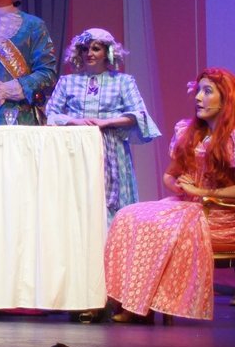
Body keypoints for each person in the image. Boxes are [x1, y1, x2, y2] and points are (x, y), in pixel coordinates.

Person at [103, 68, 235, 322]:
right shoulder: (189, 131)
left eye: (208, 91)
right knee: (128, 215)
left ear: (226, 98)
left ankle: (140, 307)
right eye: (198, 91)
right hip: (189, 206)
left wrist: (200, 191)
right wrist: (178, 185)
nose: (198, 97)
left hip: (222, 217)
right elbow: (170, 175)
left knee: (158, 226)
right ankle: (132, 301)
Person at [45, 28, 161, 221]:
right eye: (85, 49)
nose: (89, 54)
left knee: (110, 199)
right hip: (76, 145)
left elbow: (138, 114)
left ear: (107, 52)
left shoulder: (123, 81)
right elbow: (51, 113)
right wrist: (74, 121)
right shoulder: (68, 82)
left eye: (96, 49)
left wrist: (106, 122)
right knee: (78, 198)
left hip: (111, 146)